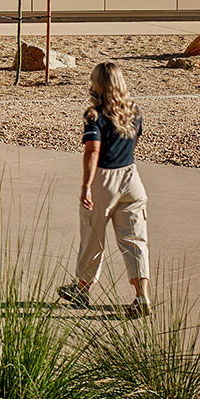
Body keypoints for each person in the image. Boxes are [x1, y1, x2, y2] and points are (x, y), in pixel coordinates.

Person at [58, 61, 151, 319]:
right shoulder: (133, 111)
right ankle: (141, 295)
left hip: (104, 180)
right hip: (132, 178)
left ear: (97, 84)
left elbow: (92, 150)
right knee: (135, 240)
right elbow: (134, 140)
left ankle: (82, 290)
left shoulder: (94, 115)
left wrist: (87, 186)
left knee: (93, 238)